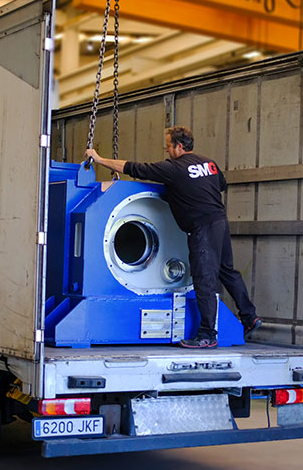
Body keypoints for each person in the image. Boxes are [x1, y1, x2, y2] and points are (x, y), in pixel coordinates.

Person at [85, 126, 261, 349]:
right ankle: (250, 317)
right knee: (227, 271)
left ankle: (207, 336)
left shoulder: (174, 168)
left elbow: (133, 168)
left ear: (179, 146)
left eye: (168, 146)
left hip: (202, 228)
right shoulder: (210, 164)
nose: (167, 150)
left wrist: (99, 159)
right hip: (220, 223)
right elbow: (221, 185)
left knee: (204, 279)